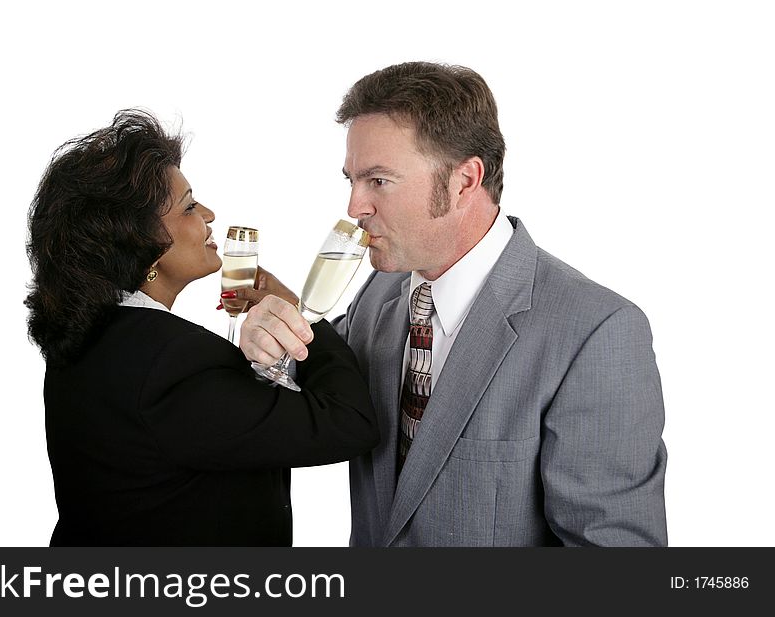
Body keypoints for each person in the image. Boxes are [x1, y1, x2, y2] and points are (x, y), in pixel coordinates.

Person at [237, 62, 668, 546]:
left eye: (378, 180)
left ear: (465, 181)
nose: (355, 207)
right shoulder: (378, 297)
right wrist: (273, 348)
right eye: (352, 180)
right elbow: (318, 389)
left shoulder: (596, 333)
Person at [25, 109, 378, 546]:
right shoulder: (171, 362)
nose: (209, 214)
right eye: (189, 206)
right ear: (141, 242)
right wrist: (301, 314)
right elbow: (347, 423)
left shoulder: (90, 339)